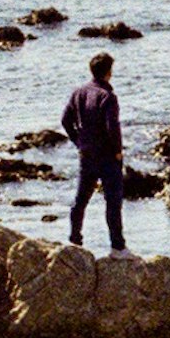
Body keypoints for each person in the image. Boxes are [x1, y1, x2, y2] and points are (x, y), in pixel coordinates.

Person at [61, 51, 127, 254]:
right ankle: (117, 247)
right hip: (107, 156)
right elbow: (112, 127)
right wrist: (118, 152)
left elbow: (65, 120)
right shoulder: (107, 96)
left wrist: (78, 141)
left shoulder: (79, 92)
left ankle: (74, 240)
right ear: (108, 72)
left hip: (86, 154)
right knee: (113, 202)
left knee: (81, 200)